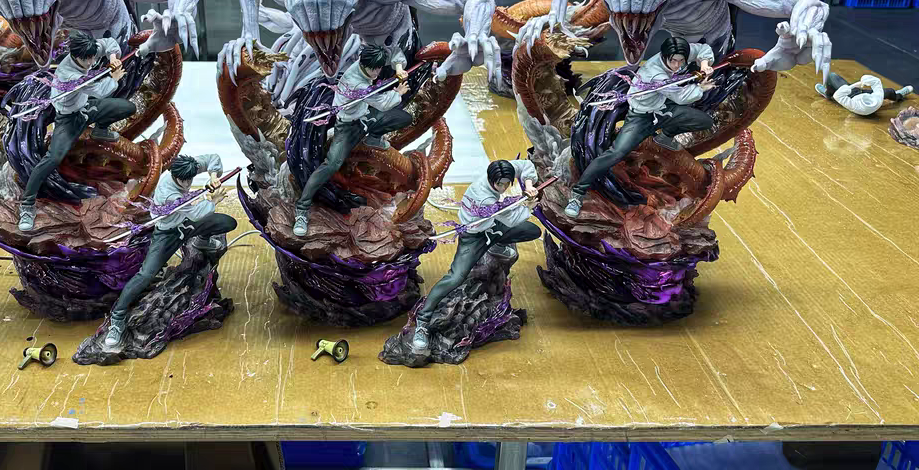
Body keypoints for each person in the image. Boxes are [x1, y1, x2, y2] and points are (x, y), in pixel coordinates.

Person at [565, 36, 716, 219]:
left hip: (663, 109)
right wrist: (701, 88)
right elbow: (681, 97)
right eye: (673, 61)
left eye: (681, 61)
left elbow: (702, 49)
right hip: (640, 117)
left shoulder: (678, 51)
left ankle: (665, 136)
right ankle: (577, 194)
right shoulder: (655, 74)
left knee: (704, 121)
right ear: (664, 56)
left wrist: (704, 64)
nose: (677, 65)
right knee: (615, 153)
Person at [102, 153, 237, 351]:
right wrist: (213, 200)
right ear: (174, 175)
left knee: (226, 222)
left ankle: (202, 242)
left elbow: (213, 158)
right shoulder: (168, 194)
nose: (187, 183)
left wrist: (213, 176)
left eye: (190, 179)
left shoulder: (188, 167)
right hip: (168, 234)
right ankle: (117, 319)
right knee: (146, 274)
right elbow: (197, 212)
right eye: (183, 180)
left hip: (187, 224)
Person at [412, 159, 540, 354]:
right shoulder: (484, 198)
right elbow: (512, 218)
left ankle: (498, 246)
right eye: (500, 184)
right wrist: (529, 204)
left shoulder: (501, 171)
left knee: (531, 231)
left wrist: (528, 185)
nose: (504, 188)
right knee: (455, 277)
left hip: (494, 227)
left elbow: (525, 166)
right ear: (490, 179)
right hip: (474, 237)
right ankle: (422, 322)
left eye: (507, 183)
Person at [18, 31, 137, 232]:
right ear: (74, 55)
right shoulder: (69, 75)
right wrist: (114, 77)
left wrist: (113, 58)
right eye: (86, 59)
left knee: (127, 107)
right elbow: (100, 91)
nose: (90, 62)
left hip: (86, 108)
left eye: (92, 57)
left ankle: (100, 130)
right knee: (53, 158)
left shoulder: (88, 49)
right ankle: (27, 205)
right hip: (68, 119)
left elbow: (109, 43)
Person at [293, 43, 414, 237]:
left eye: (379, 68)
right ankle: (302, 209)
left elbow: (393, 51)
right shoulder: (356, 84)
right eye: (373, 69)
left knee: (403, 118)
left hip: (365, 116)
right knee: (331, 164)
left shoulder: (369, 59)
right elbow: (383, 104)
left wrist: (399, 67)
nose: (377, 72)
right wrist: (397, 93)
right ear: (363, 64)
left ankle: (373, 138)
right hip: (348, 127)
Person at [816, 72, 913, 116]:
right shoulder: (876, 100)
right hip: (862, 93)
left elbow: (838, 95)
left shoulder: (853, 105)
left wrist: (854, 85)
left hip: (850, 94)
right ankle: (898, 95)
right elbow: (876, 82)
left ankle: (828, 94)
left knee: (831, 76)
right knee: (890, 91)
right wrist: (864, 81)